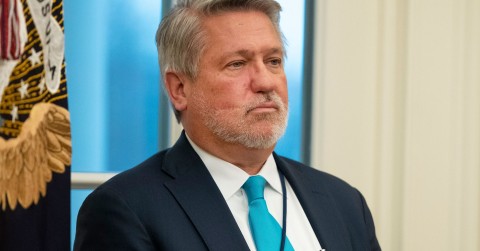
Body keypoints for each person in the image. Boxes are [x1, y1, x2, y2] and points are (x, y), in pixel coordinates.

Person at [74, 0, 381, 250]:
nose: (265, 82)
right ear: (179, 88)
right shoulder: (126, 210)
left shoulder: (344, 204)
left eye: (273, 61)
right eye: (237, 64)